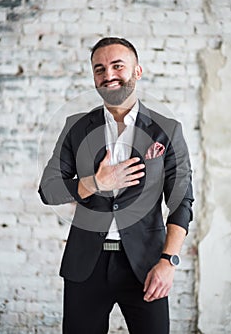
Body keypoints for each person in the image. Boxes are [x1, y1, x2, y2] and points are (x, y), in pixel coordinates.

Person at [38, 37, 194, 334]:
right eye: (99, 69)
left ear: (137, 71)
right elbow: (48, 190)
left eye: (117, 66)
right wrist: (94, 183)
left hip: (146, 265)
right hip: (85, 266)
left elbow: (181, 202)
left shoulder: (167, 129)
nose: (108, 75)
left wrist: (168, 261)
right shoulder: (76, 126)